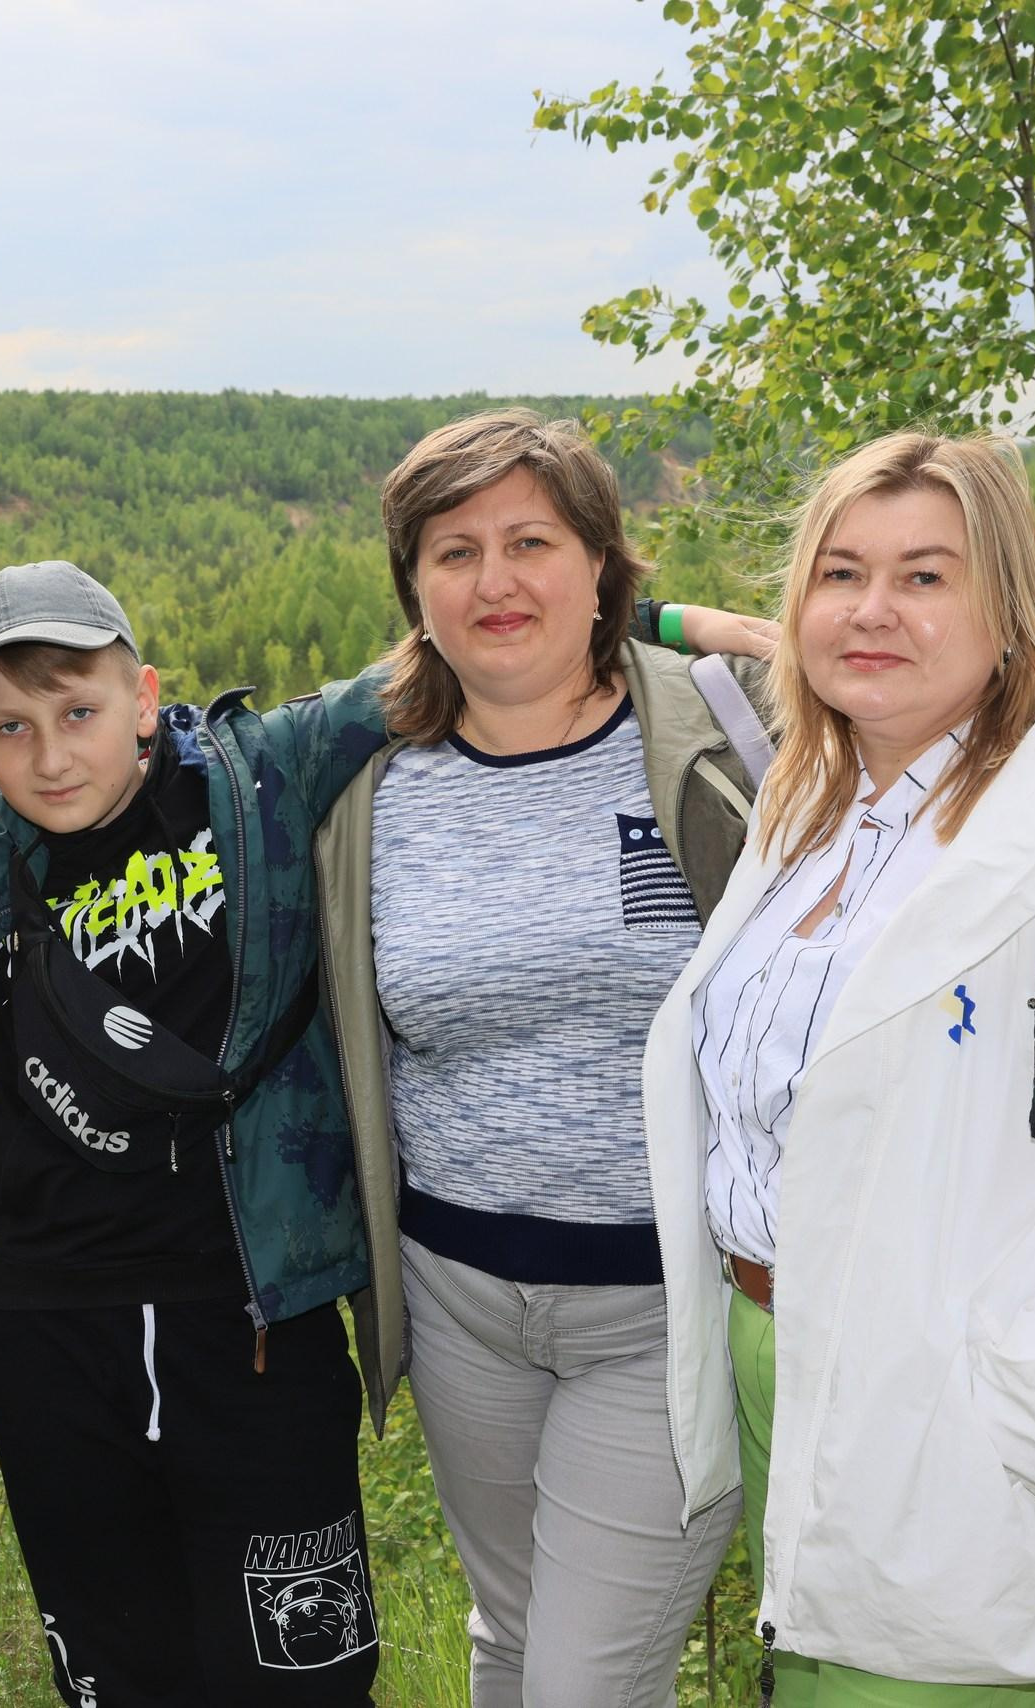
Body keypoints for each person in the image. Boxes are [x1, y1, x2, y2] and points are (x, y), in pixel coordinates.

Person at [0, 558, 755, 1707]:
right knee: (116, 1665)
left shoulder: (260, 775)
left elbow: (467, 643)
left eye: (80, 711)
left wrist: (664, 616)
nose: (52, 754)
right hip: (48, 1321)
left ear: (144, 693)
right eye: (9, 728)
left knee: (302, 1667)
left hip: (255, 1320)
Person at [643, 430, 1035, 1703]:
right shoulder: (818, 812)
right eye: (840, 573)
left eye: (926, 577)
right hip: (784, 1365)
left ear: (1007, 610)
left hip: (954, 1417)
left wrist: (1031, 1409)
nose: (872, 610)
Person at [316, 409, 770, 1708]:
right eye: (454, 551)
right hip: (461, 1304)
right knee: (511, 1645)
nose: (496, 581)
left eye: (532, 541)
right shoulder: (368, 778)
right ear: (412, 584)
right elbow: (126, 750)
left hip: (663, 1305)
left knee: (584, 1686)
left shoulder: (726, 732)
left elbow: (979, 711)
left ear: (600, 560)